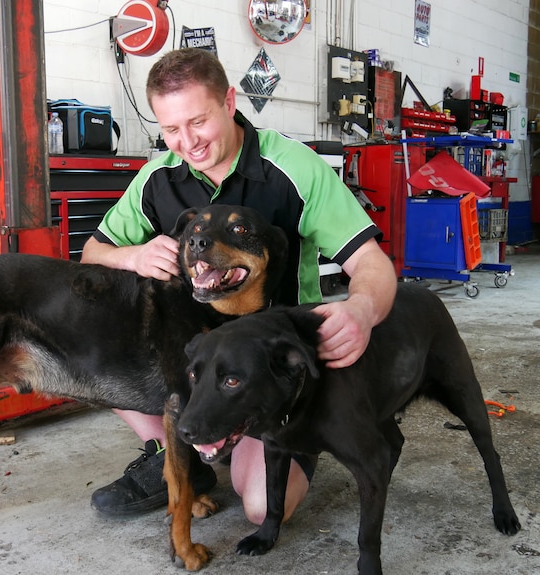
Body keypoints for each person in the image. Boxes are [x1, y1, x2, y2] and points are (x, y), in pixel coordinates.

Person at [81, 48, 397, 524]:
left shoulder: (295, 167)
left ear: (229, 102)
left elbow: (372, 263)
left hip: (270, 360)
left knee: (260, 509)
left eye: (198, 122)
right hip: (194, 354)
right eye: (170, 129)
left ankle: (277, 437)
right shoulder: (156, 178)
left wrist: (362, 311)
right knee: (91, 353)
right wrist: (135, 254)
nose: (186, 142)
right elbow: (92, 254)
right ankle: (176, 454)